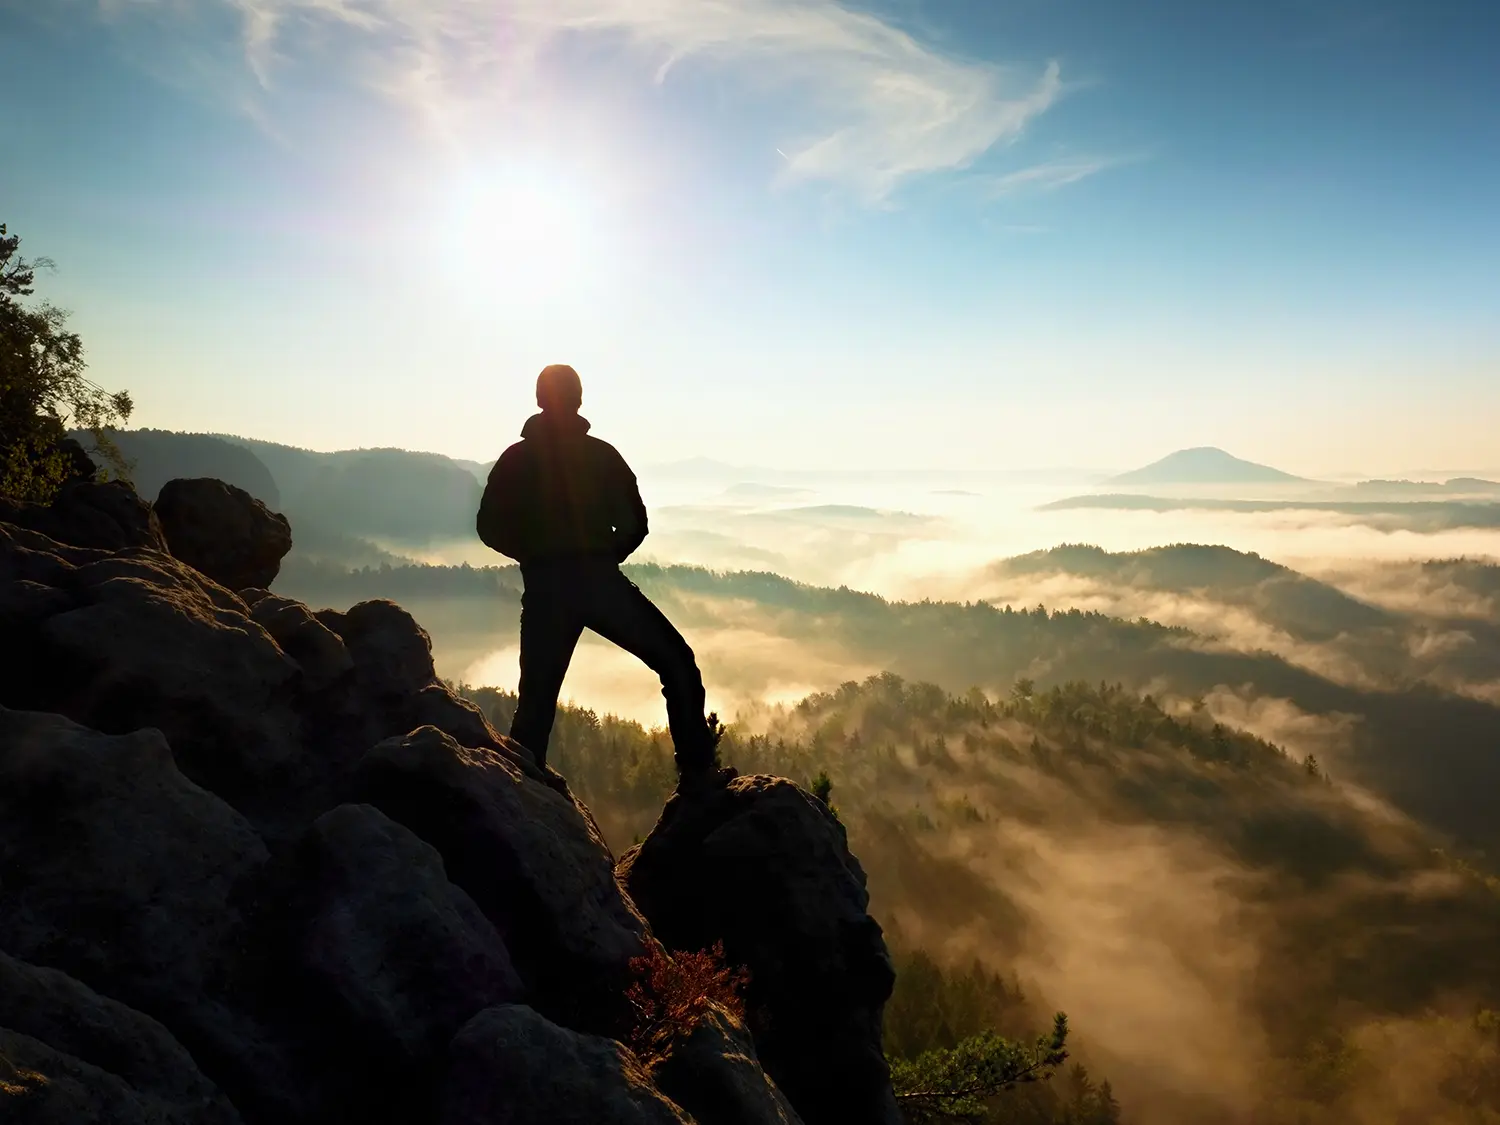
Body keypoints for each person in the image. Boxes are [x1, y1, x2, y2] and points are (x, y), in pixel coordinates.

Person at [476, 364, 728, 788]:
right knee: (678, 665)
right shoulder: (601, 456)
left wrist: (535, 557)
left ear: (539, 400)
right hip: (600, 583)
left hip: (547, 592)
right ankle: (699, 778)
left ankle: (519, 795)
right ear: (578, 399)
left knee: (536, 704)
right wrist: (605, 555)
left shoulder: (517, 459)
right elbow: (636, 522)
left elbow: (489, 526)